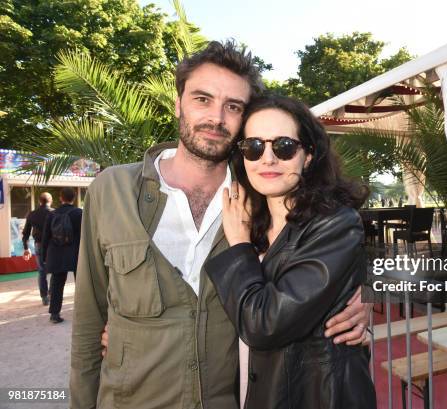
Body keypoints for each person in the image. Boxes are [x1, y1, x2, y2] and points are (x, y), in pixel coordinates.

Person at [71, 41, 370, 409]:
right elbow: (88, 322)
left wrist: (356, 305)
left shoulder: (262, 197)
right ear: (178, 103)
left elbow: (294, 285)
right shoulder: (112, 189)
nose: (216, 118)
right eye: (202, 99)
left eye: (233, 107)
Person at [204, 95, 376, 409]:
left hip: (315, 396)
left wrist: (372, 287)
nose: (267, 159)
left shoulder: (333, 223)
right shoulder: (242, 219)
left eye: (283, 146)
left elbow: (263, 324)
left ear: (308, 156)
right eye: (253, 147)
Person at [41, 187, 82, 323]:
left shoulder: (52, 214)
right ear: (74, 198)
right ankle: (82, 313)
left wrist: (44, 257)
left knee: (57, 284)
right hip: (76, 254)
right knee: (82, 284)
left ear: (60, 198)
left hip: (56, 254)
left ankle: (54, 314)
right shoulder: (79, 213)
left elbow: (45, 237)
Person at [22, 191, 53, 305]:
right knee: (55, 271)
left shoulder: (32, 214)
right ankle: (52, 293)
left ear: (40, 201)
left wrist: (26, 248)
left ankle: (44, 297)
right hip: (52, 245)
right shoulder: (54, 213)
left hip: (39, 244)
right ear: (51, 201)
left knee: (42, 271)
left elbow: (26, 233)